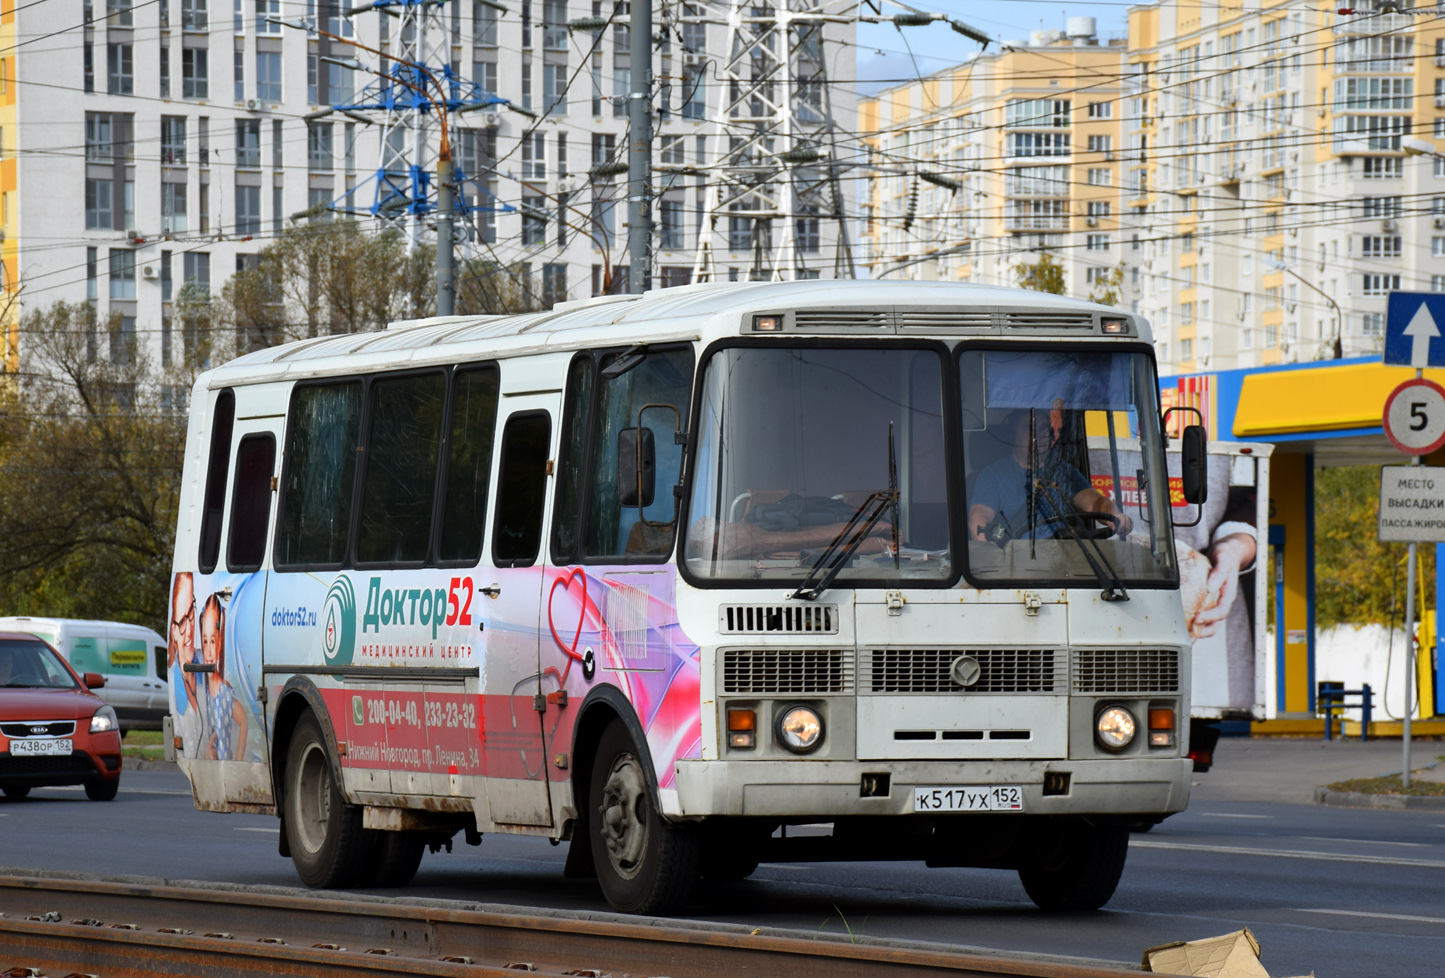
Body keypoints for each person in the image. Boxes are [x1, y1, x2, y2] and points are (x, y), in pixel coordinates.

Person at [969, 408, 1133, 545]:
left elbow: (1095, 502)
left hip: (1059, 560)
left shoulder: (1065, 473)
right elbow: (979, 516)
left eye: (1044, 428)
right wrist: (989, 548)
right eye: (1029, 429)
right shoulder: (992, 476)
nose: (1038, 434)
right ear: (1013, 436)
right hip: (1015, 564)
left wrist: (1115, 515)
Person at [199, 594, 248, 762]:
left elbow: (243, 722)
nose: (209, 652)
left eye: (213, 641)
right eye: (205, 642)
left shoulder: (225, 693)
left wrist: (238, 760)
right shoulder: (202, 692)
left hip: (225, 765)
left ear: (220, 642)